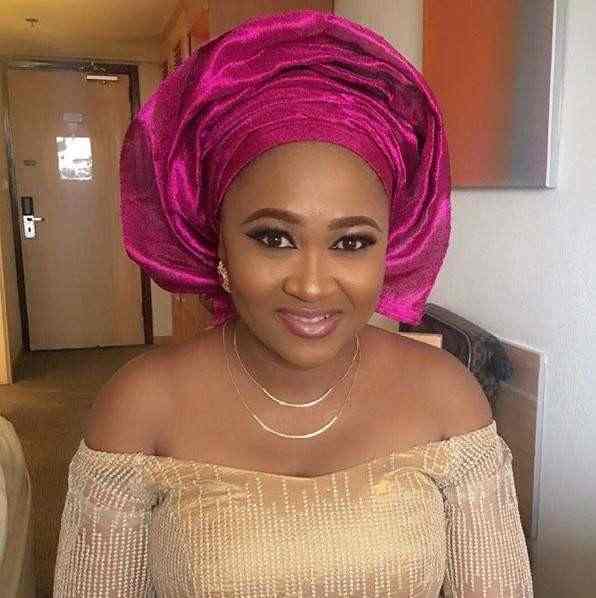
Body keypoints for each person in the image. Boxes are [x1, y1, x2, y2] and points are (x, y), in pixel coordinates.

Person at [52, 10, 533, 597]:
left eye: (351, 242)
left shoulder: (448, 398)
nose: (311, 285)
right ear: (219, 244)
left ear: (391, 248)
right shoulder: (140, 405)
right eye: (274, 238)